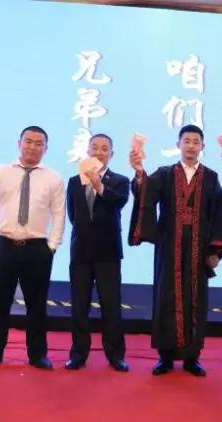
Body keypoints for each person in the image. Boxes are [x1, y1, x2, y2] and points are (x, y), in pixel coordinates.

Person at [128, 124, 222, 377]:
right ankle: (165, 358)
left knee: (195, 300)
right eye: (186, 141)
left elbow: (219, 214)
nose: (191, 146)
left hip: (198, 250)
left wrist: (215, 252)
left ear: (202, 147)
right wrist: (139, 172)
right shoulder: (164, 174)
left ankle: (191, 358)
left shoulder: (211, 178)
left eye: (196, 142)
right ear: (178, 145)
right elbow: (145, 194)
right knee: (167, 299)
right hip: (169, 249)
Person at [0, 125, 66, 370]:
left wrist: (52, 246)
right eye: (28, 141)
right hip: (4, 246)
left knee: (37, 305)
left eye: (39, 143)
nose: (33, 147)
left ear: (46, 148)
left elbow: (58, 214)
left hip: (37, 249)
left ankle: (37, 354)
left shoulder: (53, 178)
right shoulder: (1, 171)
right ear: (18, 143)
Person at [64, 133, 130, 372]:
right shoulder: (74, 181)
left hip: (108, 252)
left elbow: (117, 202)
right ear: (88, 151)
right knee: (79, 305)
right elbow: (73, 215)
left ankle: (115, 355)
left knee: (111, 305)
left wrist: (98, 184)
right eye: (95, 147)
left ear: (112, 154)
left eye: (104, 148)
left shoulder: (120, 181)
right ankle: (78, 354)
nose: (99, 152)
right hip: (81, 252)